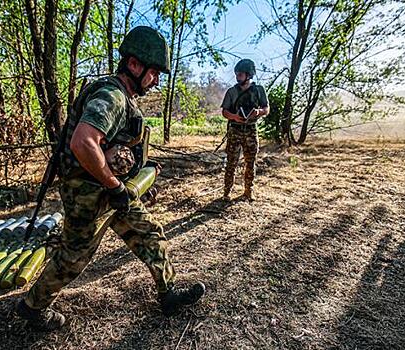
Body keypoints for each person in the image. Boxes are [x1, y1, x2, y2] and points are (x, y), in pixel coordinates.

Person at [15, 26, 205, 331]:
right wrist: (115, 185)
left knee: (150, 234)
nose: (156, 80)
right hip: (89, 194)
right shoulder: (112, 95)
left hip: (111, 191)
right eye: (154, 72)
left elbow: (111, 149)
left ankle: (168, 294)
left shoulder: (122, 98)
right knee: (74, 257)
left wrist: (130, 184)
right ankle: (32, 306)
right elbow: (83, 142)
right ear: (133, 64)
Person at [221, 59, 270, 201]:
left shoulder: (259, 90)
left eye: (240, 74)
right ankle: (227, 192)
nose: (237, 77)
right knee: (231, 162)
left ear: (249, 75)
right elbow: (224, 111)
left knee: (250, 162)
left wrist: (258, 112)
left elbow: (267, 109)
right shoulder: (231, 92)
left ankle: (249, 191)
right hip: (235, 130)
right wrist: (235, 117)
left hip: (251, 130)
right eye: (236, 74)